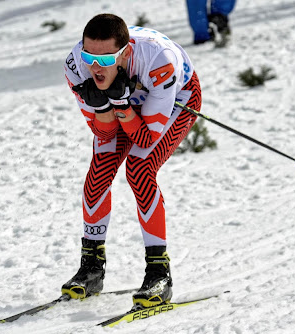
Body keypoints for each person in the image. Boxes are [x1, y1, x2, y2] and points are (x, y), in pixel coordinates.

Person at [61, 14, 202, 309]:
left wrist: (122, 105)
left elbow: (146, 139)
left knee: (139, 169)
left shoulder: (159, 61)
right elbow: (104, 132)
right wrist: (102, 105)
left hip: (177, 98)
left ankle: (159, 273)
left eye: (106, 58)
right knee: (98, 173)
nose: (95, 67)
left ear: (125, 53)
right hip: (127, 103)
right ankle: (91, 267)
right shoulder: (76, 66)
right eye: (89, 55)